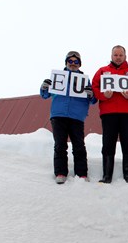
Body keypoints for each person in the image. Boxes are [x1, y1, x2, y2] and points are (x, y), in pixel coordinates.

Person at [39, 51, 96, 184]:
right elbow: (45, 95)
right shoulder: (58, 77)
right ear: (66, 62)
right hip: (59, 114)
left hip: (77, 116)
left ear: (79, 64)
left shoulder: (85, 79)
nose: (73, 64)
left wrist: (91, 94)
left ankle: (81, 173)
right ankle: (60, 172)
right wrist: (44, 87)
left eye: (76, 62)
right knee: (60, 145)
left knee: (79, 146)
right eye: (70, 61)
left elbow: (93, 101)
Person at [92, 45, 128, 183]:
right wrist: (104, 95)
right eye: (116, 55)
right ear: (111, 56)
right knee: (108, 143)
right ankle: (107, 176)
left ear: (125, 56)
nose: (118, 57)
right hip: (108, 113)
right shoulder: (102, 71)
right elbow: (94, 88)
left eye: (121, 55)